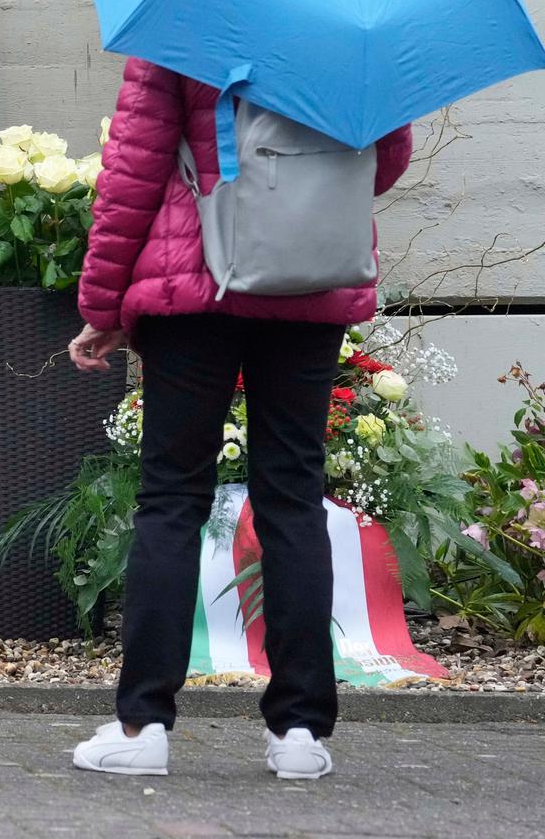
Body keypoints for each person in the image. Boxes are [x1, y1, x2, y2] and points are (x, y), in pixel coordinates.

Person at [65, 58, 414, 780]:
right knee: (292, 497)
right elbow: (386, 161)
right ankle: (299, 735)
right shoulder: (351, 26)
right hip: (309, 284)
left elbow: (132, 170)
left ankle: (143, 727)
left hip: (195, 285)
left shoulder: (184, 18)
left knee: (170, 500)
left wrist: (102, 306)